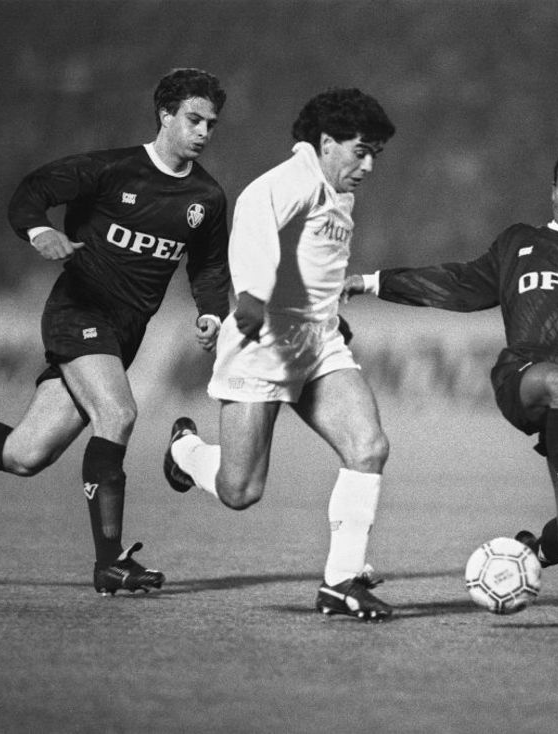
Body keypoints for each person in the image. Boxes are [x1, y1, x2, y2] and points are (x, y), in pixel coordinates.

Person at [0, 68, 230, 594]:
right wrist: (40, 230)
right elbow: (31, 191)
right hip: (78, 311)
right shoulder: (111, 169)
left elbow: (208, 266)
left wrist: (210, 311)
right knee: (118, 413)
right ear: (165, 115)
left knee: (25, 455)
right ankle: (109, 563)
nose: (204, 131)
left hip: (124, 333)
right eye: (194, 119)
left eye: (211, 122)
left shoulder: (206, 197)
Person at [343, 147, 558, 570]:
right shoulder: (520, 242)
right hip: (524, 373)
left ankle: (528, 553)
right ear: (552, 191)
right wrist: (373, 281)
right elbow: (459, 283)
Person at [163, 88, 397, 620]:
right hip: (261, 341)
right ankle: (186, 453)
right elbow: (252, 225)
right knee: (241, 490)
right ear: (326, 142)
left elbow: (316, 258)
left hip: (317, 343)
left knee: (369, 446)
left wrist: (329, 312)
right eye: (359, 152)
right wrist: (249, 295)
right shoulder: (290, 181)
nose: (366, 166)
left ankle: (341, 582)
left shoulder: (339, 191)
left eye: (374, 156)